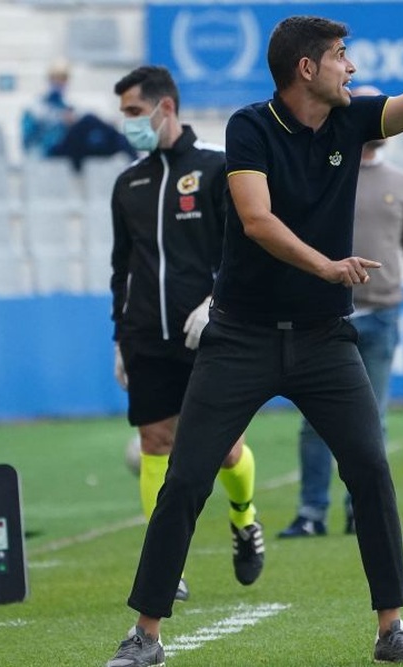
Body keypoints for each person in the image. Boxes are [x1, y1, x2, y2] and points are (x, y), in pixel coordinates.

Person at [105, 17, 403, 667]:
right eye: (340, 57)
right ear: (307, 68)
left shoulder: (353, 119)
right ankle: (146, 635)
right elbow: (256, 219)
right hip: (240, 337)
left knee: (370, 469)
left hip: (324, 339)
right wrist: (326, 266)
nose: (351, 68)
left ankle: (392, 627)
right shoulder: (250, 128)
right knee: (186, 479)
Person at [108, 65, 265, 605]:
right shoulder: (127, 184)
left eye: (133, 111)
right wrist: (118, 336)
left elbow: (244, 249)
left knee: (224, 450)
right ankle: (164, 567)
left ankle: (244, 520)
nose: (127, 122)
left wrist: (217, 303)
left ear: (165, 107)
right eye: (124, 113)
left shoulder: (218, 170)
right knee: (155, 442)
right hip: (146, 337)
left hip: (211, 334)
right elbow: (120, 266)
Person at [278, 84, 403, 539]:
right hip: (326, 315)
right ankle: (311, 510)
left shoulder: (401, 183)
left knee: (374, 419)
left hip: (382, 313)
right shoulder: (327, 170)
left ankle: (360, 510)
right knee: (313, 422)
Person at [22, 59, 137, 171]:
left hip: (73, 151)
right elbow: (29, 141)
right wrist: (59, 122)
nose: (60, 82)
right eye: (56, 78)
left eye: (63, 78)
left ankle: (137, 163)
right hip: (50, 151)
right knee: (88, 120)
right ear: (50, 79)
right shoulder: (35, 107)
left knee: (105, 138)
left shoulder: (66, 105)